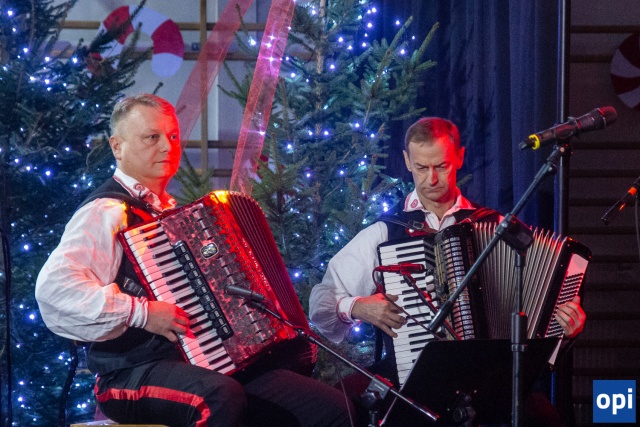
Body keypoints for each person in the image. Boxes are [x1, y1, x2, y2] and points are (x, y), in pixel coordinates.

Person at [35, 94, 354, 427]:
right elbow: (55, 292)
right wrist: (142, 313)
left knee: (332, 409)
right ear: (117, 147)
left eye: (173, 136)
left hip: (200, 367)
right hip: (128, 374)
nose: (167, 147)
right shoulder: (106, 212)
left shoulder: (172, 215)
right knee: (218, 397)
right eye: (152, 137)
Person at [308, 117, 585, 424]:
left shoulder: (496, 226)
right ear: (407, 161)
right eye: (421, 167)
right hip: (411, 378)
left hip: (489, 377)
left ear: (459, 158)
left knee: (544, 418)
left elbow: (540, 301)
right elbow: (321, 303)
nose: (431, 179)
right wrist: (358, 307)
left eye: (441, 166)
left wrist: (564, 327)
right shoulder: (385, 232)